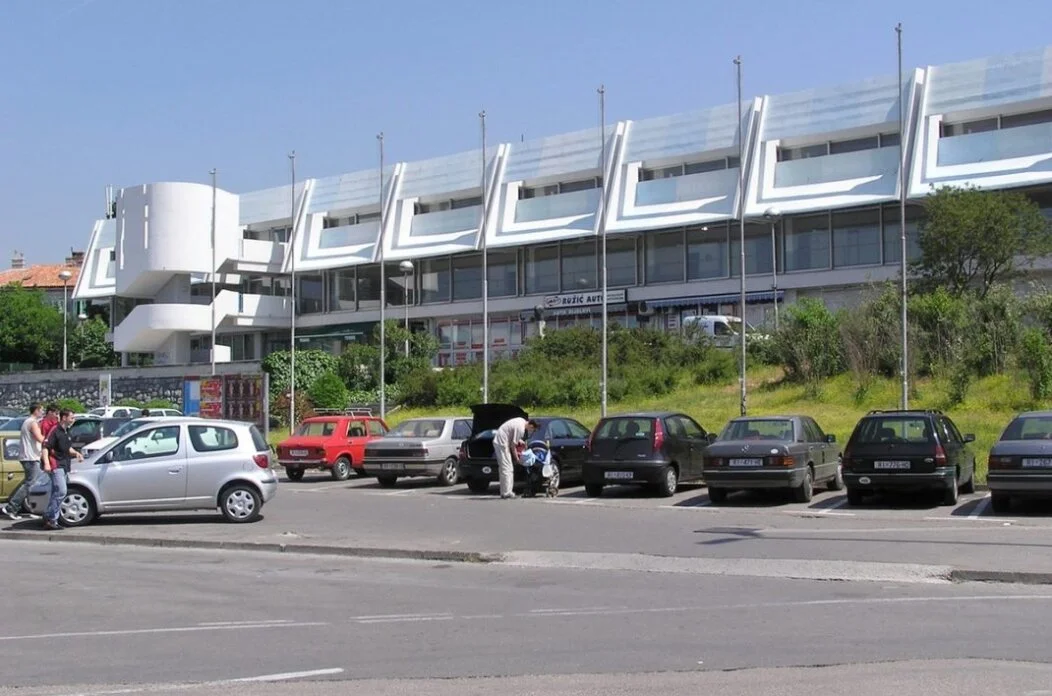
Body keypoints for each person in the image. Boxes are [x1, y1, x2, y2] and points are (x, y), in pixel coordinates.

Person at [0, 404, 45, 520]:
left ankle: (34, 509)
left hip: (30, 457)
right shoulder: (32, 423)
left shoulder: (28, 422)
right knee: (30, 484)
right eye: (41, 410)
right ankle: (11, 507)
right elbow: (40, 438)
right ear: (36, 410)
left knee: (32, 483)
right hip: (31, 458)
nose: (43, 412)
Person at [42, 409, 83, 530]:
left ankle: (50, 517)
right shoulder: (55, 430)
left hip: (64, 464)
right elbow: (45, 447)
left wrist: (76, 453)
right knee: (61, 491)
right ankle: (51, 518)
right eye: (72, 417)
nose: (73, 420)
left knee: (56, 492)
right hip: (55, 464)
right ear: (64, 418)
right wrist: (46, 464)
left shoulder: (66, 431)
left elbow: (67, 448)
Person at [492, 416, 538, 500]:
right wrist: (517, 459)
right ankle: (507, 493)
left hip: (500, 441)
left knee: (505, 468)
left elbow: (512, 435)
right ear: (531, 426)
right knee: (507, 468)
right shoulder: (521, 429)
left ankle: (505, 492)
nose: (531, 431)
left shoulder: (521, 420)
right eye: (533, 430)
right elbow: (513, 446)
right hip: (501, 443)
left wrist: (521, 441)